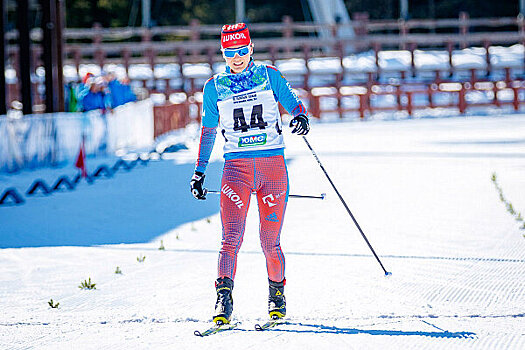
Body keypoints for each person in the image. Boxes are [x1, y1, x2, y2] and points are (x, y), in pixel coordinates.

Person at [190, 23, 310, 325]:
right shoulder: (213, 87)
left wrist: (300, 117)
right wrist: (199, 171)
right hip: (236, 171)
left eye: (242, 51)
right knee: (230, 239)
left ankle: (276, 295)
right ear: (223, 53)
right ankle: (223, 299)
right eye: (231, 53)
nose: (238, 58)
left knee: (269, 241)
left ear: (251, 48)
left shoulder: (269, 76)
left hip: (272, 169)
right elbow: (208, 132)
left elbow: (294, 104)